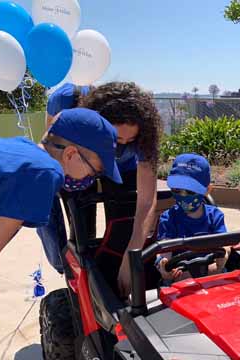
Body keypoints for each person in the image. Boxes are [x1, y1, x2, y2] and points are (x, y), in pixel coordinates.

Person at [0, 108, 121, 360]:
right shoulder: (44, 172)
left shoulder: (16, 150)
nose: (91, 179)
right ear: (71, 154)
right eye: (95, 171)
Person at [37, 82, 161, 295]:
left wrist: (132, 256)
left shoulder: (144, 133)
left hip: (123, 172)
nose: (121, 145)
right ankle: (82, 290)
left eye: (129, 141)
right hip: (80, 162)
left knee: (123, 229)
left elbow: (147, 201)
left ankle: (116, 283)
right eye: (116, 139)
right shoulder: (65, 99)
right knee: (82, 231)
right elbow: (51, 148)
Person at [155, 154, 229, 283]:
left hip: (212, 275)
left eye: (190, 192)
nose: (183, 196)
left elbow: (224, 245)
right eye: (177, 190)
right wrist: (164, 267)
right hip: (180, 279)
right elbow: (164, 251)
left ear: (207, 190)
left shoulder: (215, 216)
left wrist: (222, 260)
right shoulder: (168, 218)